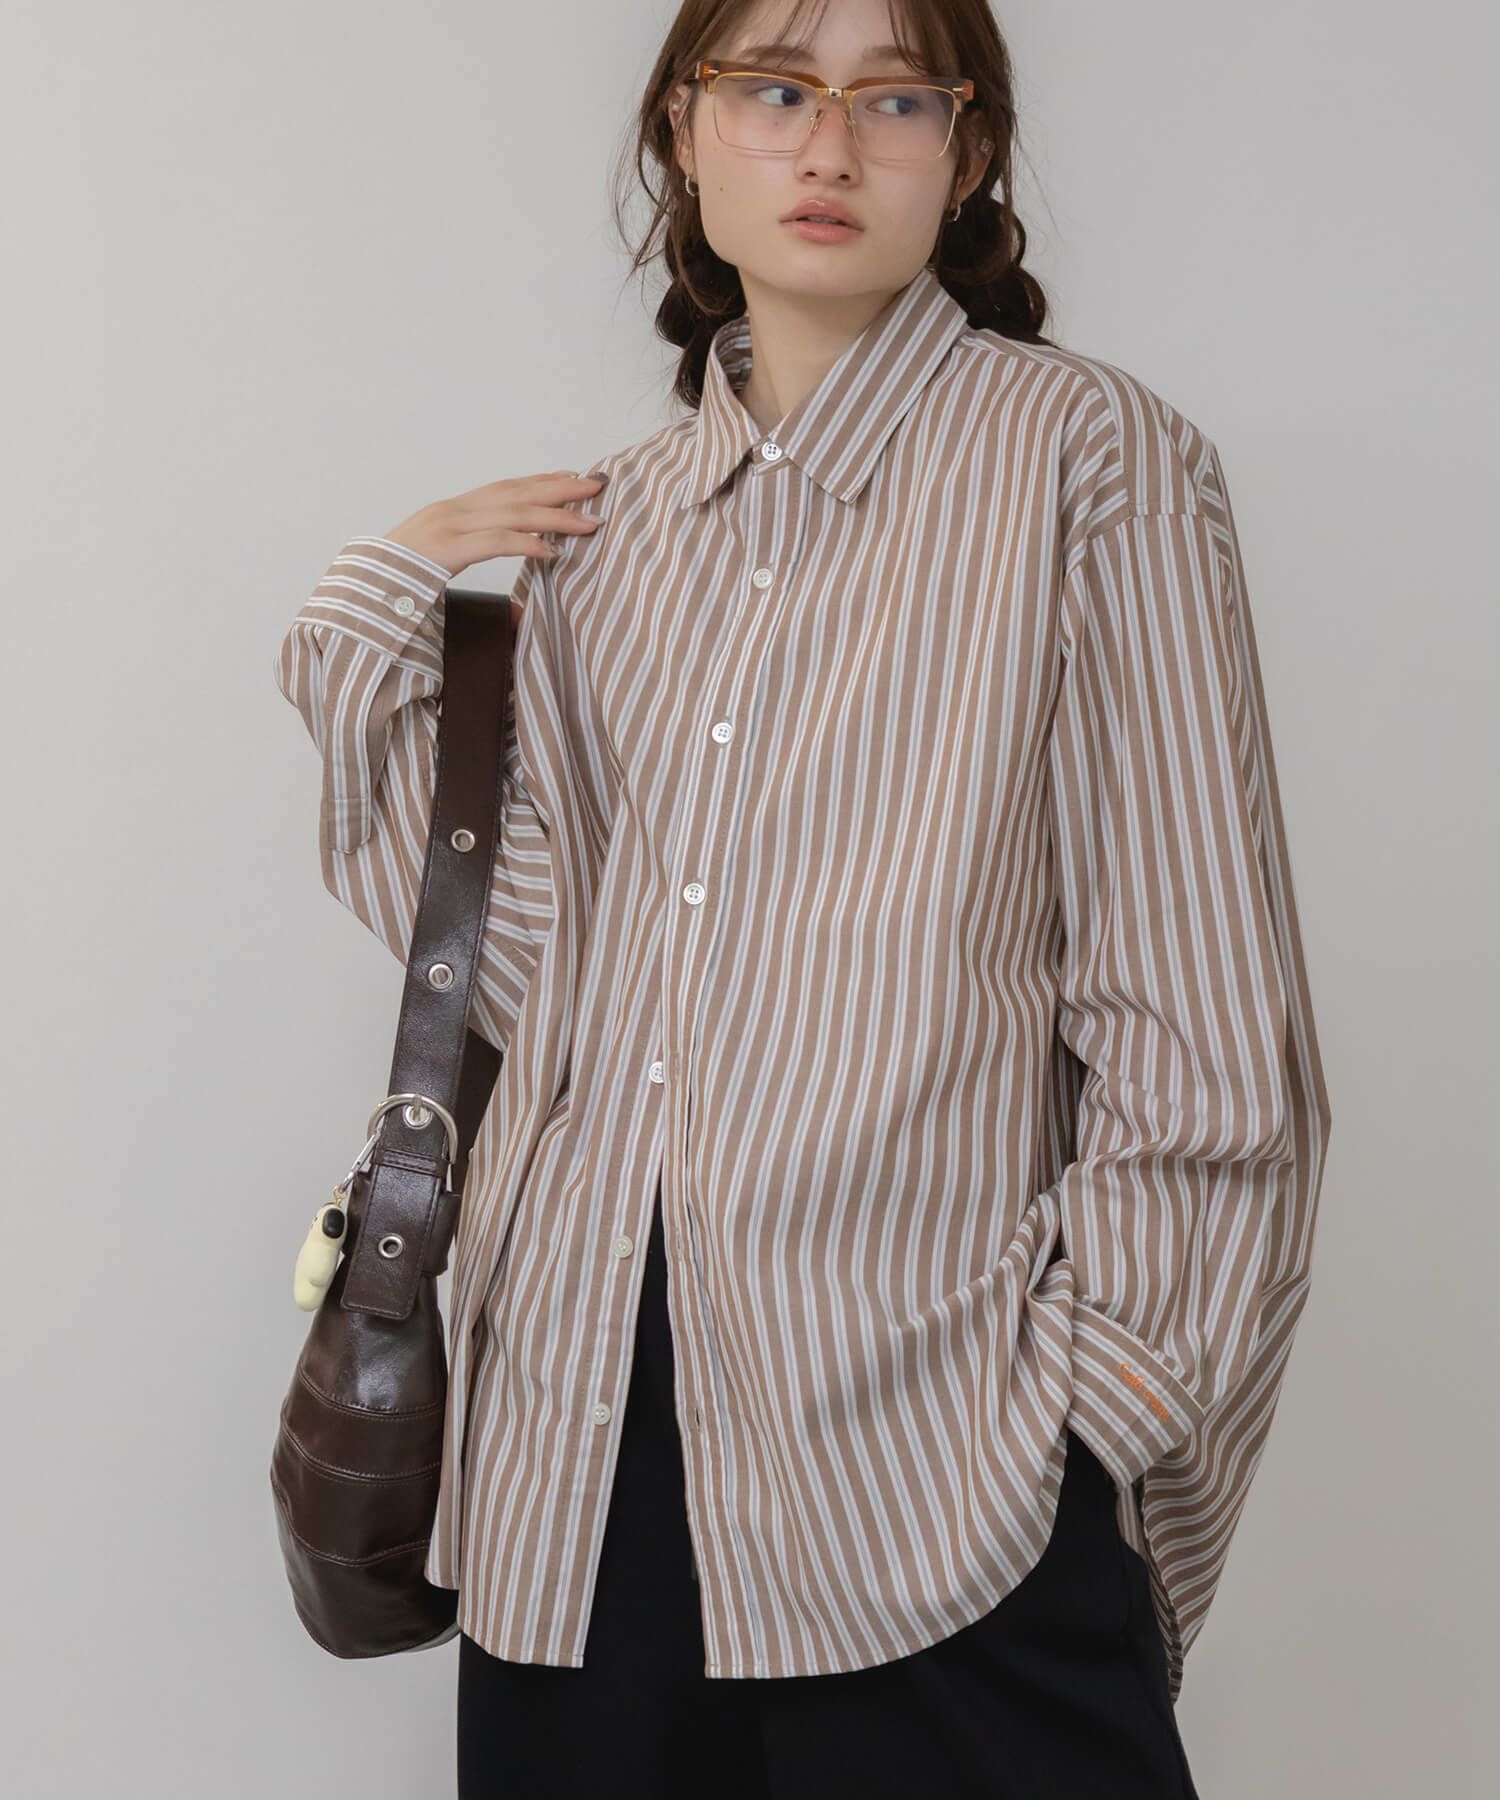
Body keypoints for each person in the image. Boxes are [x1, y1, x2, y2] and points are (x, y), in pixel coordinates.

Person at [275, 1, 1331, 1794]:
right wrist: (376, 599)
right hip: (572, 1457)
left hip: (936, 1458)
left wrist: (1097, 1411)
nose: (829, 145)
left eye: (894, 99)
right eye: (774, 88)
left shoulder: (1088, 461)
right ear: (684, 133)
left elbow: (1205, 1014)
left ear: (968, 151)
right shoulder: (605, 537)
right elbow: (544, 988)